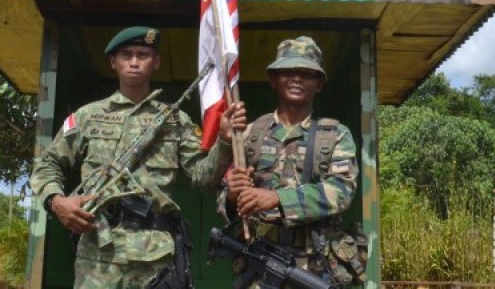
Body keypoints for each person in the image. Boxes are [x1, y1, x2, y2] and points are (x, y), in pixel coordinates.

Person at [30, 26, 247, 288]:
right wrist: (56, 201)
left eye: (143, 55)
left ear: (156, 62)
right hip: (98, 256)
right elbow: (48, 163)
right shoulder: (88, 116)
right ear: (113, 62)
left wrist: (223, 140)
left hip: (154, 259)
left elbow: (203, 177)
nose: (134, 62)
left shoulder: (175, 120)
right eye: (126, 55)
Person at [220, 36, 361, 287]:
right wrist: (231, 196)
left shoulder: (335, 134)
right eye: (288, 72)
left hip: (314, 269)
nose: (297, 79)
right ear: (273, 80)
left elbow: (342, 191)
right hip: (259, 266)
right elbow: (228, 198)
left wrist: (277, 198)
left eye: (307, 74)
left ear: (319, 84)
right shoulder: (250, 134)